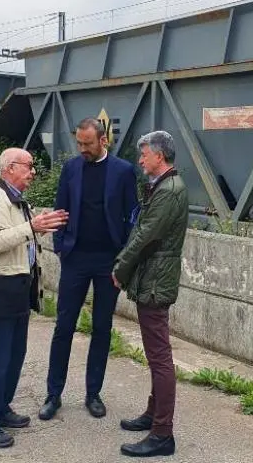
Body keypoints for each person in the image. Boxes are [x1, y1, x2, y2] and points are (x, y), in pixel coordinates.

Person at [0, 147, 68, 449]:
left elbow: (20, 236)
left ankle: (1, 408)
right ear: (10, 168)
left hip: (16, 287)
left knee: (13, 354)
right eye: (29, 166)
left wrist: (37, 227)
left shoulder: (15, 198)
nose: (33, 172)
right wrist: (30, 227)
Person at [39, 117, 140, 421]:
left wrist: (123, 259)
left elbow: (132, 217)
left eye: (87, 144)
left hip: (108, 261)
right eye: (79, 143)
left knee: (101, 328)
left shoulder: (123, 171)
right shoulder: (71, 168)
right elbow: (59, 210)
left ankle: (93, 394)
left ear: (103, 141)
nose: (82, 148)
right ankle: (53, 395)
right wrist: (60, 247)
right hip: (75, 259)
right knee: (63, 327)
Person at [111, 130, 189, 458]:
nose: (140, 160)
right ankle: (152, 416)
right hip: (153, 277)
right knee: (156, 354)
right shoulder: (165, 186)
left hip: (156, 281)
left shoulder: (169, 190)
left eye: (144, 154)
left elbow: (145, 235)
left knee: (159, 358)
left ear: (159, 156)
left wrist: (120, 268)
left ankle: (162, 434)